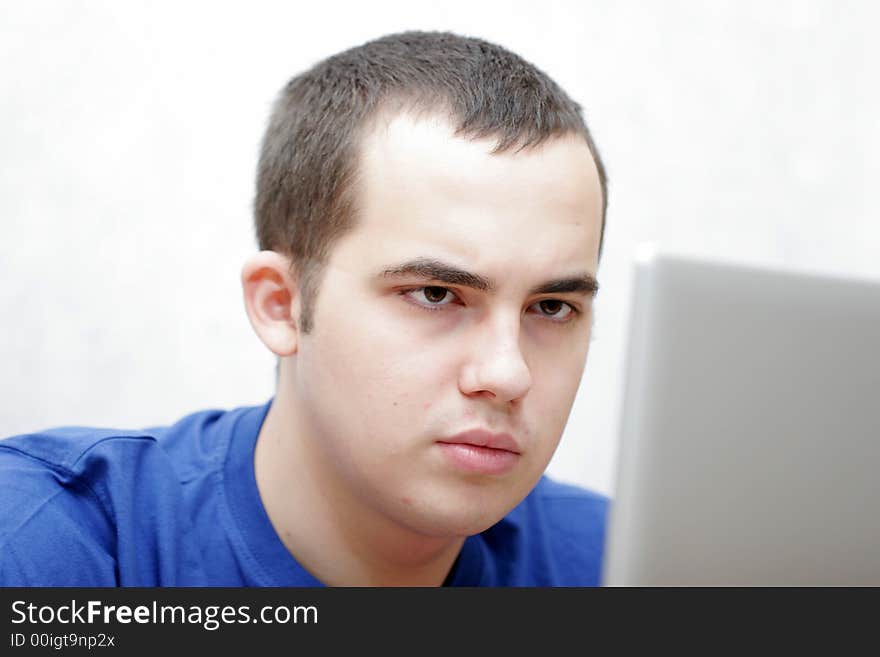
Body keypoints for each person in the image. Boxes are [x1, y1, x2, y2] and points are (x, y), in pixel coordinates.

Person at [0, 31, 609, 586]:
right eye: (435, 294)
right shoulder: (48, 545)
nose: (507, 374)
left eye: (551, 306)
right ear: (281, 304)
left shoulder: (626, 564)